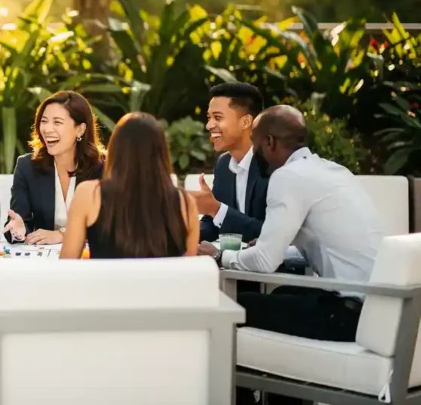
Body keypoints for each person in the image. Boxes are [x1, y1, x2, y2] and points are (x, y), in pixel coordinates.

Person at [198, 105, 383, 339]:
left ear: (269, 142)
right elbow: (321, 245)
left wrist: (217, 255)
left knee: (228, 302)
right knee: (285, 291)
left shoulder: (287, 176)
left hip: (348, 315)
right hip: (374, 305)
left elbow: (265, 261)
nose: (253, 154)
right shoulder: (334, 171)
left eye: (254, 144)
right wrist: (279, 250)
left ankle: (221, 374)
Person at [61, 112, 199, 259]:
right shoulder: (186, 204)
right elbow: (188, 273)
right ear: (162, 152)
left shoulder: (89, 194)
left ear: (115, 150)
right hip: (162, 282)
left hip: (106, 282)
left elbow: (67, 266)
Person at [4, 90, 105, 245]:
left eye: (57, 122)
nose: (47, 129)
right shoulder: (27, 167)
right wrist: (19, 231)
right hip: (45, 262)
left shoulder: (102, 168)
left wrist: (62, 234)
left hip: (89, 261)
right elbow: (19, 222)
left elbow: (108, 226)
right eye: (44, 121)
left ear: (80, 129)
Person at [191, 82, 268, 243]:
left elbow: (270, 232)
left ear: (246, 122)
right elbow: (213, 224)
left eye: (218, 117)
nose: (209, 125)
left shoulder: (272, 165)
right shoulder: (223, 164)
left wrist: (215, 208)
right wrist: (182, 234)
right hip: (234, 265)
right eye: (209, 118)